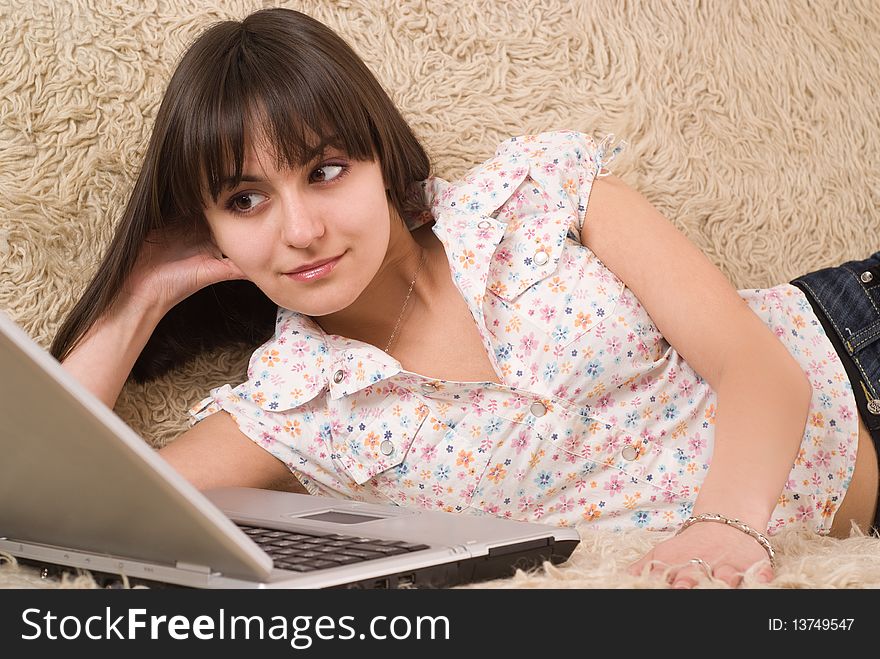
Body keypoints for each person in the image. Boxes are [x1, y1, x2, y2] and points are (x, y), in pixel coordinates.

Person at [51, 7, 879, 589]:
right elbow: (65, 521)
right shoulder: (296, 408)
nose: (299, 228)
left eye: (325, 171)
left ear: (378, 157)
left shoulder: (538, 193)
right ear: (209, 233)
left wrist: (725, 530)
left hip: (854, 336)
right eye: (244, 200)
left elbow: (756, 365)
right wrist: (142, 293)